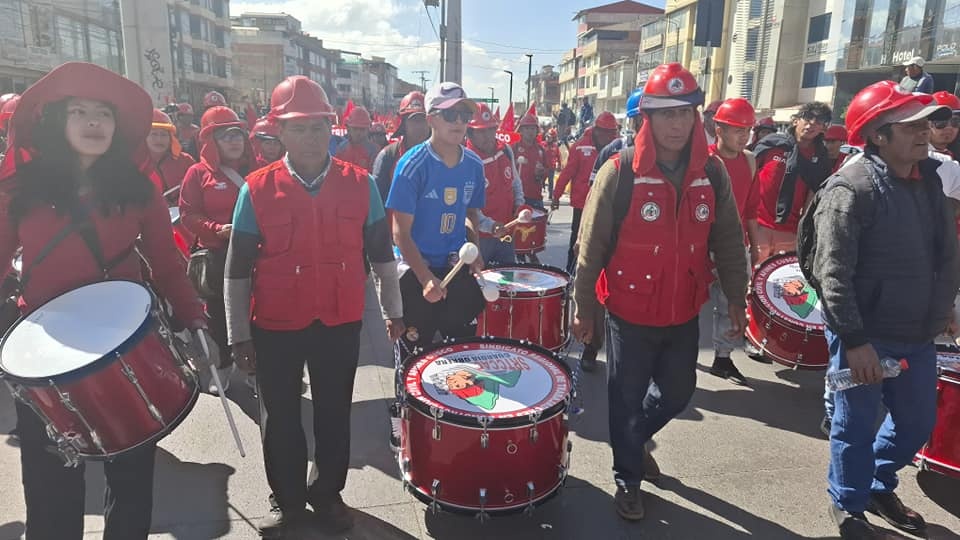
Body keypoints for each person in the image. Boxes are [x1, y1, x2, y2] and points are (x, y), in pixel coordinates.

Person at [0, 61, 205, 540]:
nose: (94, 122)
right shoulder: (18, 188)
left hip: (124, 348)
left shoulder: (140, 188)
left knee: (131, 483)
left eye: (104, 114)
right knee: (51, 491)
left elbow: (165, 260)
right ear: (57, 120)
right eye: (79, 111)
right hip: (44, 358)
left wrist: (193, 313)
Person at [224, 75, 402, 537]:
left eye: (319, 127)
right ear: (278, 132)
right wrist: (238, 333)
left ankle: (327, 493)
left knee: (333, 412)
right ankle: (287, 498)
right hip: (276, 325)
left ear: (332, 129)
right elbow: (237, 271)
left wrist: (394, 310)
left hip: (338, 321)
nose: (310, 137)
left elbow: (383, 256)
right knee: (280, 415)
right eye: (298, 127)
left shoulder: (361, 185)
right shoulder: (256, 190)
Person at [572, 63, 749, 521]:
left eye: (684, 113)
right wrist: (583, 309)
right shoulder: (619, 172)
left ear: (696, 118)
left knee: (678, 391)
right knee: (624, 397)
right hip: (628, 312)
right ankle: (627, 477)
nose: (676, 123)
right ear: (646, 118)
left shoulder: (712, 172)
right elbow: (589, 247)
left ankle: (632, 438)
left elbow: (728, 239)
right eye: (665, 114)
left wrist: (737, 296)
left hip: (683, 309)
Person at [805, 80, 958, 539]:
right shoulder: (849, 189)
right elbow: (832, 274)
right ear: (877, 136)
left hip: (916, 329)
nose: (922, 132)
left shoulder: (929, 180)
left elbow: (944, 253)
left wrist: (945, 305)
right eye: (908, 125)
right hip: (863, 337)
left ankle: (877, 483)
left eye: (923, 123)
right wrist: (853, 342)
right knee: (853, 424)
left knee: (916, 422)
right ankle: (849, 504)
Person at [385, 81, 486, 355]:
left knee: (463, 354)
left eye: (465, 115)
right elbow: (400, 233)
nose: (459, 122)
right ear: (431, 119)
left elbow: (469, 214)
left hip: (455, 268)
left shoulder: (474, 165)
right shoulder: (412, 165)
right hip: (417, 271)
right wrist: (425, 277)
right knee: (415, 358)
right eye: (450, 114)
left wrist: (474, 249)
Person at [179, 106, 254, 395]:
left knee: (257, 313)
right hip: (218, 256)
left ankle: (254, 368)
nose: (234, 141)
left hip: (256, 255)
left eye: (237, 135)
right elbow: (188, 214)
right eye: (226, 136)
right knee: (220, 318)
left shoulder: (255, 169)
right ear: (211, 141)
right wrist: (215, 228)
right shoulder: (197, 174)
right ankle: (222, 366)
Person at [576, 88, 644, 373]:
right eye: (644, 118)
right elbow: (593, 197)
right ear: (634, 122)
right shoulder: (613, 153)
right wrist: (583, 236)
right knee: (598, 295)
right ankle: (591, 347)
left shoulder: (678, 161)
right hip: (609, 239)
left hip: (641, 249)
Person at [707, 98, 762, 386]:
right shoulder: (703, 161)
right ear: (719, 129)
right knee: (684, 304)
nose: (744, 136)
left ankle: (722, 358)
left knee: (730, 302)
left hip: (733, 247)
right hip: (700, 246)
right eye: (737, 130)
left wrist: (755, 249)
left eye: (748, 130)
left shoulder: (750, 162)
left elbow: (752, 210)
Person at [753, 102, 833, 260]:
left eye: (819, 121)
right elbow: (748, 176)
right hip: (757, 226)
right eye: (808, 117)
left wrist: (803, 230)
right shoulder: (772, 144)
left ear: (823, 128)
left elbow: (814, 193)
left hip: (790, 232)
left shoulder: (821, 158)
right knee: (750, 279)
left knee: (779, 281)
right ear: (796, 120)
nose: (812, 124)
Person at [552, 111, 618, 274]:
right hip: (582, 205)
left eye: (610, 132)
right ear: (595, 129)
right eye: (603, 131)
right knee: (576, 243)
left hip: (608, 206)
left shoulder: (617, 148)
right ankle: (570, 273)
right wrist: (556, 196)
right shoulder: (580, 146)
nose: (606, 135)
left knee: (605, 244)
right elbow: (567, 172)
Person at [465, 103, 523, 264]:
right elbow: (468, 208)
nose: (488, 136)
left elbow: (516, 182)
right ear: (470, 133)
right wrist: (490, 226)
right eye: (481, 131)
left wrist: (520, 205)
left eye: (491, 129)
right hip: (479, 238)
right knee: (481, 285)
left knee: (508, 282)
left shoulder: (505, 150)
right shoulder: (466, 160)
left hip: (506, 233)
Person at [372, 91, 430, 203]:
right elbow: (376, 201)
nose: (420, 127)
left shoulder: (440, 156)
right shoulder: (388, 156)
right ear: (403, 124)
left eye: (423, 120)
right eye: (414, 121)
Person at [145, 109, 196, 206]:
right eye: (154, 134)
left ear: (171, 138)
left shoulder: (186, 161)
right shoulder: (134, 164)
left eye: (163, 135)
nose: (159, 139)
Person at [513, 111, 547, 210]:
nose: (530, 132)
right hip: (517, 198)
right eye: (527, 128)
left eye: (532, 128)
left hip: (535, 197)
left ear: (537, 131)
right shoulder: (513, 148)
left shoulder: (541, 150)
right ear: (521, 130)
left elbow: (547, 170)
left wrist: (541, 173)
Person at [333, 106, 379, 171]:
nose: (358, 133)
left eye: (362, 129)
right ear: (349, 129)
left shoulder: (373, 151)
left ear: (368, 130)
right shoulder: (341, 148)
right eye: (355, 129)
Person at [929, 91, 960, 157]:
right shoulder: (915, 156)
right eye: (941, 122)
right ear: (927, 124)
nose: (949, 127)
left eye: (955, 122)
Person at [543, 127, 560, 196]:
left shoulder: (555, 146)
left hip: (551, 167)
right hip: (543, 167)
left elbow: (558, 156)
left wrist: (559, 164)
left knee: (551, 181)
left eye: (550, 137)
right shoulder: (542, 144)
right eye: (547, 136)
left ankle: (550, 194)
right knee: (541, 181)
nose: (548, 138)